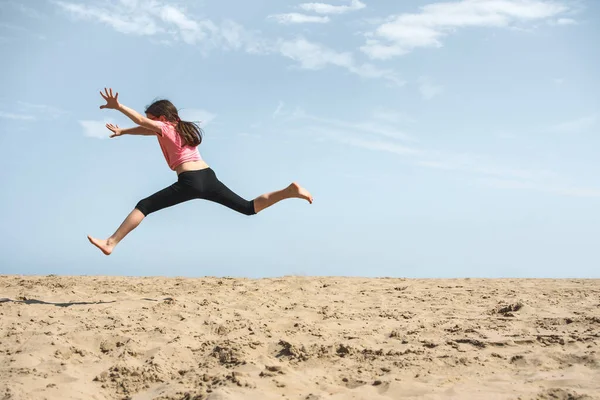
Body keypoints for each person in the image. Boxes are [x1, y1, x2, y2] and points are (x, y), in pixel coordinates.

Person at [87, 88, 313, 256]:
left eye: (152, 120)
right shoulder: (178, 129)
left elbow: (141, 121)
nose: (150, 124)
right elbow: (145, 129)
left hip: (190, 181)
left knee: (144, 205)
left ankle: (111, 242)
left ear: (162, 119)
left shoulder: (163, 128)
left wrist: (119, 108)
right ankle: (288, 191)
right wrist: (123, 132)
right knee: (247, 207)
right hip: (208, 176)